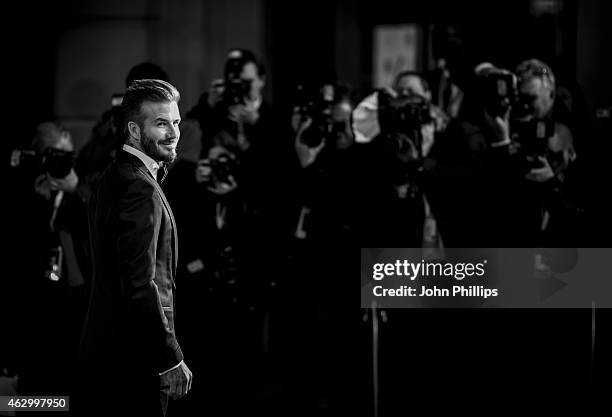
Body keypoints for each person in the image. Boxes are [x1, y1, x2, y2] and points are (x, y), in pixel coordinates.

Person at [77, 79, 192, 416]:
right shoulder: (138, 188)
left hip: (108, 356)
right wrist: (169, 357)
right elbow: (141, 283)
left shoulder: (113, 177)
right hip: (133, 363)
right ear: (133, 129)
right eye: (160, 123)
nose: (173, 132)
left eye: (176, 122)